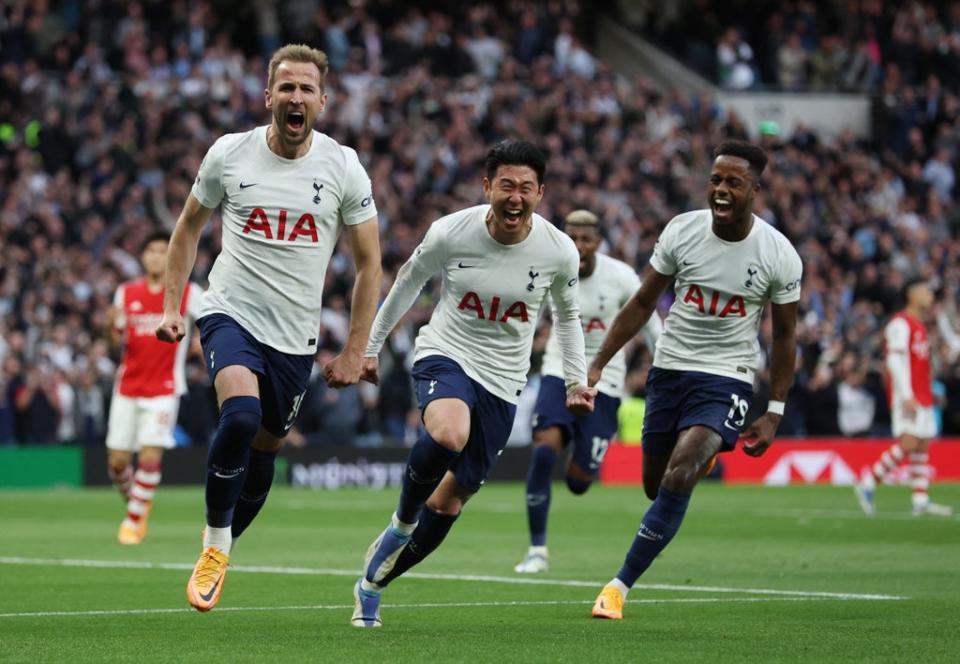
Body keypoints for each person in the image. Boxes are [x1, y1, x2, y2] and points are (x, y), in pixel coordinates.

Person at [155, 44, 382, 612]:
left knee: (261, 462)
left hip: (294, 339)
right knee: (241, 415)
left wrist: (357, 349)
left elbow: (369, 263)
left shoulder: (343, 165)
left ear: (323, 101)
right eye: (287, 87)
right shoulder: (230, 155)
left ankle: (224, 543)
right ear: (268, 96)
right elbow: (186, 232)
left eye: (307, 89)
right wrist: (173, 306)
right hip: (229, 310)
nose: (296, 97)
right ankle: (213, 545)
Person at [350, 139, 596, 628]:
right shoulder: (450, 232)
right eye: (506, 184)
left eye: (526, 187)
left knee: (450, 502)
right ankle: (400, 522)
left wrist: (575, 380)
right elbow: (408, 281)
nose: (515, 196)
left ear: (540, 193)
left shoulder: (558, 251)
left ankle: (373, 584)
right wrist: (372, 346)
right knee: (447, 434)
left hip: (504, 383)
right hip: (447, 353)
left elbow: (567, 317)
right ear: (487, 186)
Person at [586, 140, 803, 620]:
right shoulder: (682, 231)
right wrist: (598, 362)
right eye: (716, 180)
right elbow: (643, 303)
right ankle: (699, 456)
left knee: (680, 471)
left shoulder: (779, 254)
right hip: (670, 369)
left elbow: (785, 337)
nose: (721, 190)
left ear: (756, 190)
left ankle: (618, 587)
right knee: (655, 485)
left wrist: (775, 411)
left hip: (727, 376)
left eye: (734, 183)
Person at [514, 209, 662, 574]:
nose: (578, 246)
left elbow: (650, 323)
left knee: (579, 482)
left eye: (586, 239)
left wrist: (664, 365)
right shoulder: (549, 268)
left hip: (605, 382)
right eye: (572, 238)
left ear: (598, 241)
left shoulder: (620, 277)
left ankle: (577, 445)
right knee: (544, 451)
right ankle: (537, 550)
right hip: (557, 370)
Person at [105, 231, 203, 545]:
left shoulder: (188, 292)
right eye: (151, 251)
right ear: (143, 256)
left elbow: (213, 322)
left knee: (149, 455)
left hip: (164, 386)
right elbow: (114, 344)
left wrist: (203, 343)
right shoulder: (126, 292)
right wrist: (109, 326)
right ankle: (139, 502)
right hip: (128, 385)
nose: (156, 257)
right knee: (117, 462)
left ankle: (133, 520)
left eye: (163, 251)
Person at [855, 279, 953, 517]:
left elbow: (920, 364)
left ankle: (920, 498)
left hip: (923, 393)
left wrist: (930, 391)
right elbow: (894, 361)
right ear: (912, 294)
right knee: (909, 441)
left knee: (922, 442)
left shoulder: (920, 326)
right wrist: (906, 395)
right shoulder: (900, 324)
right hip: (906, 394)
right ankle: (868, 482)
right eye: (925, 291)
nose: (930, 295)